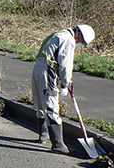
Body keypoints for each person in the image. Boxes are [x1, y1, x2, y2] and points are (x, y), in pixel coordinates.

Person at [32, 24, 95, 154]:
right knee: (51, 105)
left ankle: (43, 136)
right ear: (79, 34)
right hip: (47, 72)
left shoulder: (58, 34)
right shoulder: (69, 39)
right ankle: (58, 145)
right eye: (82, 42)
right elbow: (65, 64)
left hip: (38, 68)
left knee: (40, 104)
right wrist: (65, 83)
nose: (80, 44)